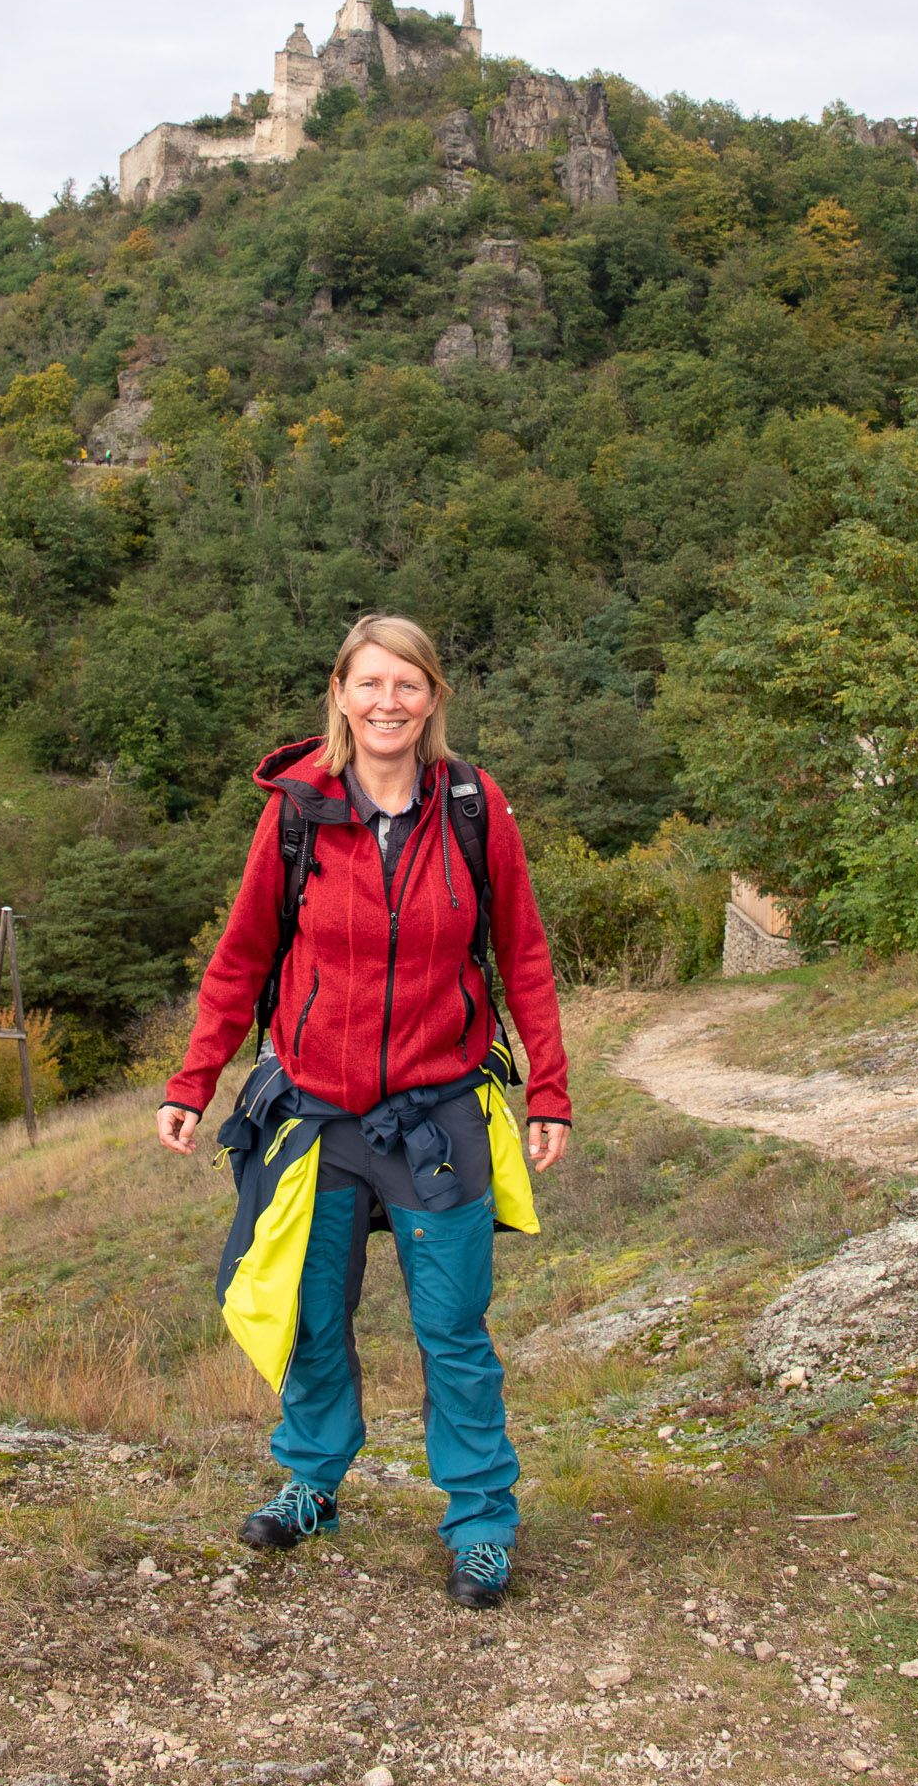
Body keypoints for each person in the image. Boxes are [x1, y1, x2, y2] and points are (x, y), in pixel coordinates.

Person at [156, 614, 571, 1607]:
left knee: (454, 1326)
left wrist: (549, 1087)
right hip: (316, 1113)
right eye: (371, 682)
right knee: (309, 1313)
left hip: (439, 1115)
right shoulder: (298, 814)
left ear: (433, 699)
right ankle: (313, 1480)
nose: (389, 701)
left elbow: (523, 951)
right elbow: (243, 955)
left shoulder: (472, 806)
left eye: (409, 685)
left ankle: (479, 1518)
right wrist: (193, 1076)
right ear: (340, 693)